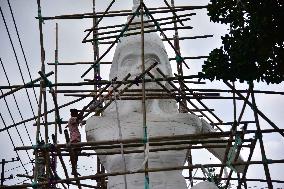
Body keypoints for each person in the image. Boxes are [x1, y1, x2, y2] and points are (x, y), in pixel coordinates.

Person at [67, 109, 82, 175]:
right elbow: (78, 118)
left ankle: (74, 169)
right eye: (76, 113)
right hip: (74, 138)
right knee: (75, 154)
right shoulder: (72, 119)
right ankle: (74, 169)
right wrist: (82, 112)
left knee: (76, 154)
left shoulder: (73, 119)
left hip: (76, 138)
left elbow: (79, 120)